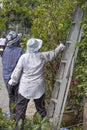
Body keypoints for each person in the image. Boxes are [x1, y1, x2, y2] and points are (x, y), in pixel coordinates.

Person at [8, 38, 65, 130]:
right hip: (38, 86)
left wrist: (12, 82)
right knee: (41, 108)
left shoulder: (24, 57)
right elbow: (54, 53)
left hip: (25, 86)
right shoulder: (42, 56)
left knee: (20, 109)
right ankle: (45, 126)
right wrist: (61, 46)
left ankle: (19, 127)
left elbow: (17, 71)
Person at [2, 31, 24, 120]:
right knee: (19, 99)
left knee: (11, 98)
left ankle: (12, 117)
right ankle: (19, 119)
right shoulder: (20, 51)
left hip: (7, 79)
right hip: (16, 80)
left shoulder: (5, 50)